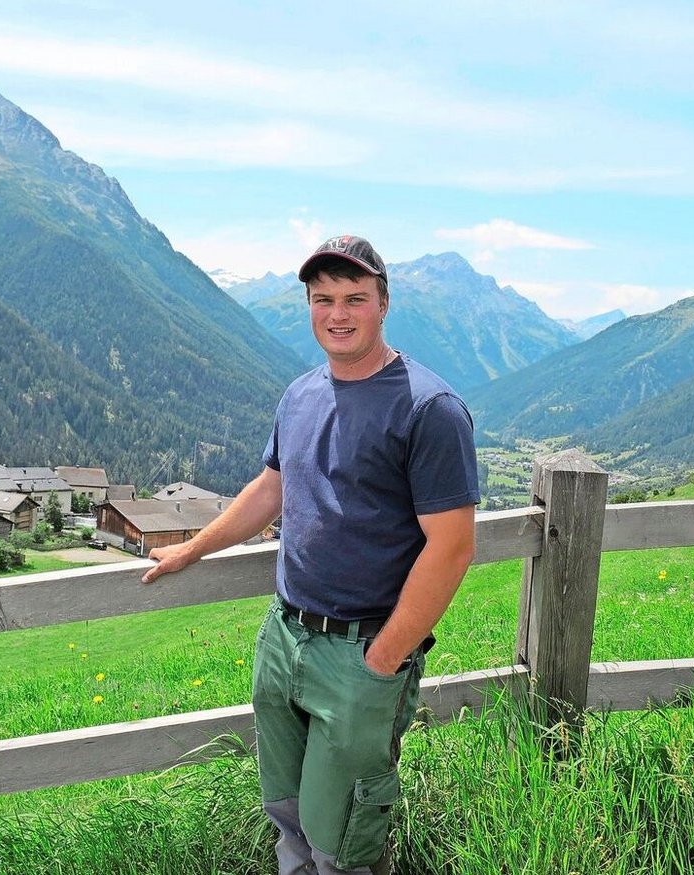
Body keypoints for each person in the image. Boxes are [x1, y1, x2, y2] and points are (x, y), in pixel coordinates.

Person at [143, 234, 479, 874]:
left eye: (355, 298)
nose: (338, 314)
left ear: (384, 303)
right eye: (323, 299)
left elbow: (453, 547)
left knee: (345, 840)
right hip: (286, 637)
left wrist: (384, 660)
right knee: (289, 814)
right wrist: (193, 547)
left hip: (361, 652)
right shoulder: (301, 394)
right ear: (309, 305)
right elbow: (272, 488)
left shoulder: (428, 409)